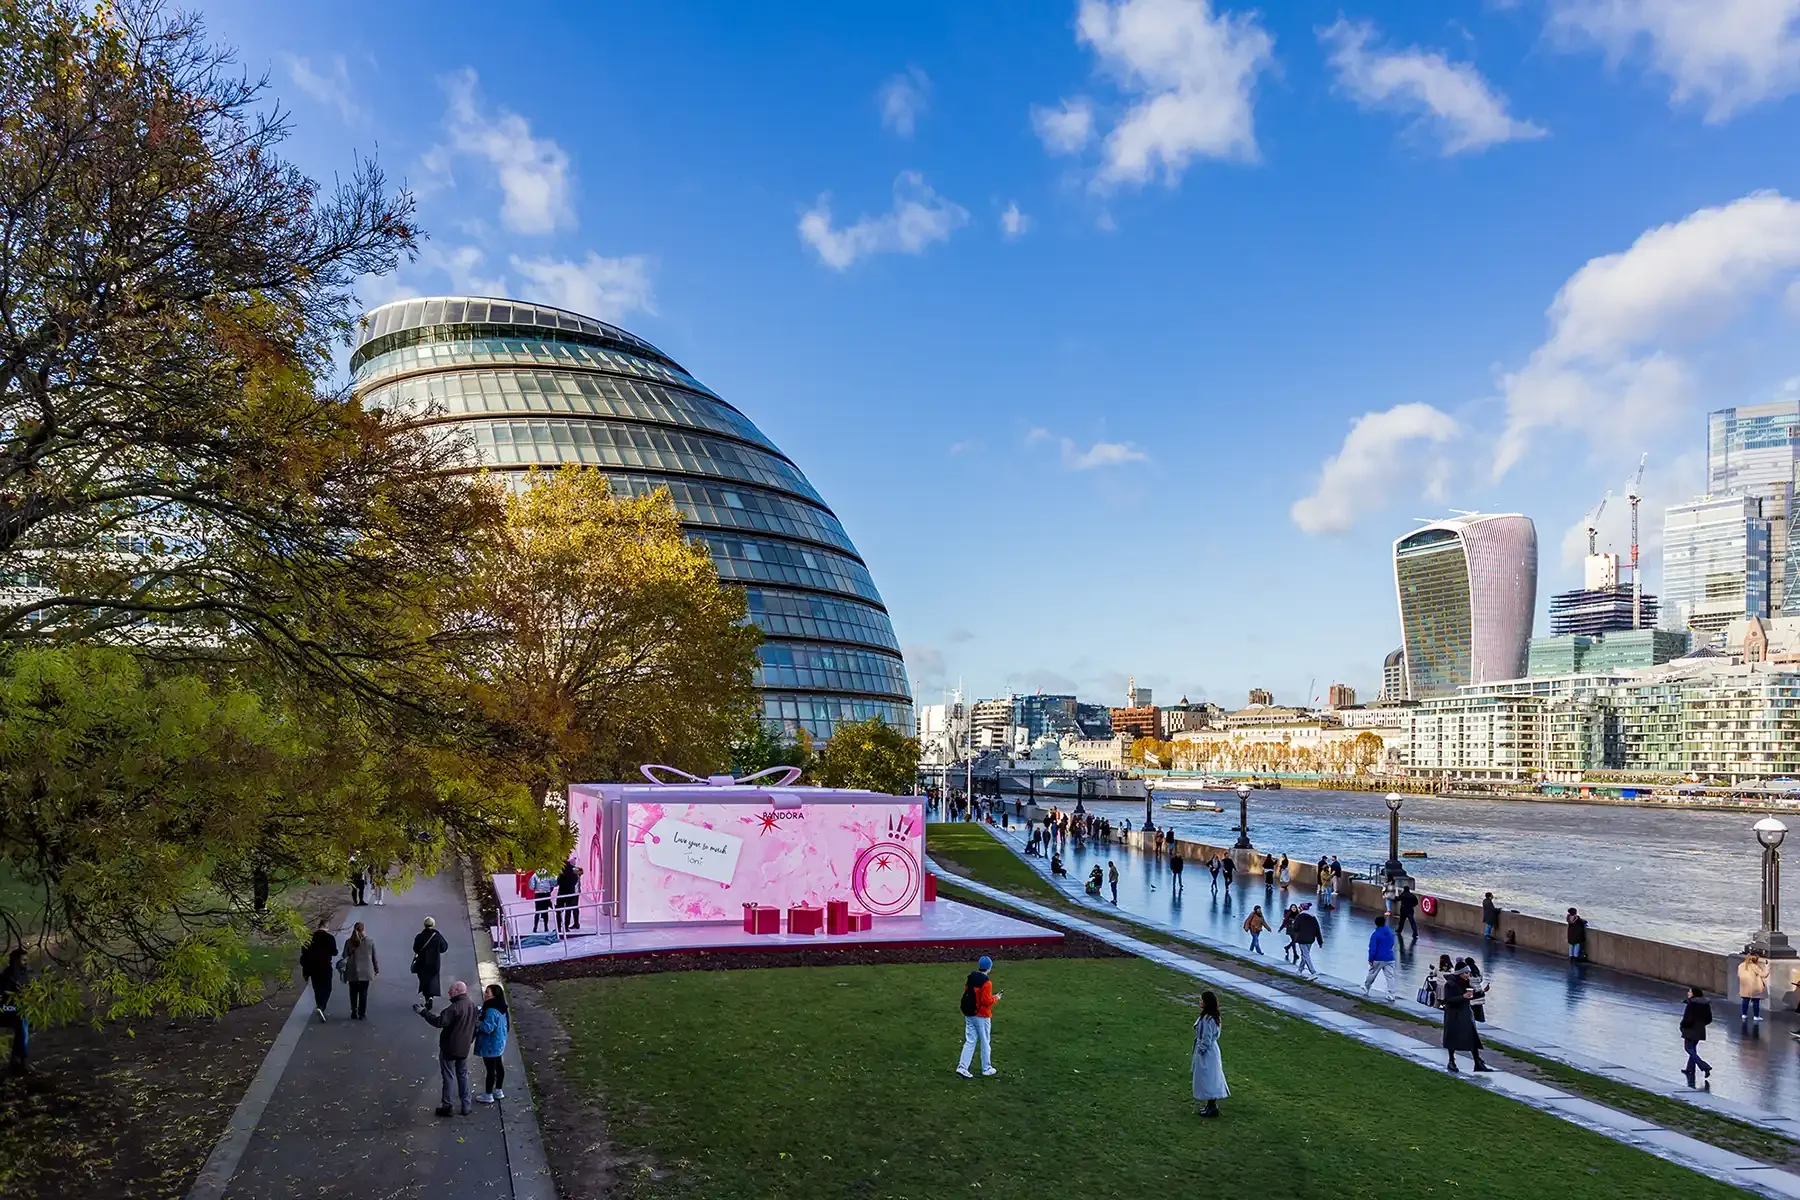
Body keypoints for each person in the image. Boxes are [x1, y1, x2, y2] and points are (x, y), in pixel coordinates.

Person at [419, 979, 481, 1116]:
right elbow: (476, 1027)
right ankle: (466, 1105)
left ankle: (447, 1105)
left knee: (448, 1076)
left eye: (451, 990)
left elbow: (439, 1022)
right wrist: (470, 1041)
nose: (448, 992)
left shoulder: (453, 1008)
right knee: (462, 1075)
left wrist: (424, 1013)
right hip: (464, 1049)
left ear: (457, 991)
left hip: (449, 1048)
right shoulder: (472, 1006)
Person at [955, 955, 1001, 1078]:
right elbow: (986, 1001)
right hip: (982, 1015)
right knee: (985, 1041)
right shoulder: (987, 982)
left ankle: (962, 1066)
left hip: (969, 1013)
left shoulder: (971, 978)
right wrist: (996, 998)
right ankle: (986, 1068)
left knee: (970, 1040)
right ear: (989, 968)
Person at [1442, 965, 1493, 1073]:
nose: (1468, 975)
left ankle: (1477, 1062)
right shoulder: (1449, 984)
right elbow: (1447, 1000)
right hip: (1453, 1015)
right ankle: (1451, 1061)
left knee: (1472, 1037)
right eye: (1466, 973)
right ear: (1460, 973)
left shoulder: (1466, 983)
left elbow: (1470, 996)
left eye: (1468, 973)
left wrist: (1482, 992)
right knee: (1453, 1037)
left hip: (1465, 1013)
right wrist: (1463, 997)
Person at [1191, 990, 1228, 1118]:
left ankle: (1212, 1107)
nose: (1200, 1002)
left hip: (1207, 1052)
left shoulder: (1209, 1019)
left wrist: (1200, 1050)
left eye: (1202, 1000)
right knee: (1209, 1077)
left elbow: (1206, 1038)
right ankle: (1210, 1106)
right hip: (1210, 1051)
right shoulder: (1210, 1017)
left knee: (1209, 1077)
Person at [474, 983, 510, 1103]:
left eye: (487, 993)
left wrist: (477, 1022)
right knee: (499, 1066)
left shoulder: (490, 1009)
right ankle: (499, 1090)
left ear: (494, 995)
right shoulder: (502, 1006)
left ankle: (488, 1094)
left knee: (490, 1069)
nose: (485, 995)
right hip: (499, 1041)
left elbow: (487, 1028)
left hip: (490, 1044)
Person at [299, 921, 338, 1023]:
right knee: (327, 987)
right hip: (325, 966)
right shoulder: (330, 938)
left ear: (318, 926)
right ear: (327, 927)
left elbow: (304, 952)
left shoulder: (309, 938)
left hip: (313, 967)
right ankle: (322, 1006)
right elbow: (334, 952)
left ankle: (319, 1004)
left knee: (317, 987)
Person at [340, 921, 379, 1020]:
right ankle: (362, 1013)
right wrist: (376, 969)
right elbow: (374, 957)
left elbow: (344, 955)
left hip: (352, 971)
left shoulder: (349, 942)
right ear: (363, 929)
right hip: (365, 972)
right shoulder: (370, 941)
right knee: (363, 993)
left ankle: (354, 1010)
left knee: (353, 992)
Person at [412, 917, 450, 1014]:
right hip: (434, 962)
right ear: (433, 925)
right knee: (433, 980)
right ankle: (431, 997)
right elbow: (444, 947)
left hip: (422, 962)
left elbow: (416, 949)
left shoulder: (419, 936)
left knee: (424, 980)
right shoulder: (437, 936)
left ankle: (427, 997)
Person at [1, 948, 29, 1074]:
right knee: (21, 1033)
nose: (26, 962)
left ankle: (19, 1061)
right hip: (10, 1008)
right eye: (24, 960)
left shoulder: (23, 973)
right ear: (16, 961)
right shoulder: (8, 975)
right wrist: (16, 994)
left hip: (21, 1008)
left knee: (22, 1034)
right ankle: (19, 1061)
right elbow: (3, 992)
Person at [1680, 986, 1713, 1088]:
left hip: (1690, 1028)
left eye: (1689, 992)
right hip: (1700, 1028)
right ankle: (1690, 1069)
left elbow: (1687, 1018)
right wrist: (1702, 1024)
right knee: (1693, 1048)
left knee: (1688, 1048)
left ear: (1694, 993)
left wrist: (1683, 1026)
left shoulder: (1691, 1004)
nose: (1688, 993)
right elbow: (1709, 1018)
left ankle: (1704, 1066)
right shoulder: (1705, 1004)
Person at [1361, 914, 1397, 1002]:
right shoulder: (1390, 933)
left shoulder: (1375, 934)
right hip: (1390, 958)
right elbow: (1392, 944)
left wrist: (1370, 959)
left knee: (1372, 973)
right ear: (1384, 923)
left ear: (1376, 924)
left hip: (1378, 958)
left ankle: (1366, 987)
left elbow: (1372, 948)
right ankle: (1392, 994)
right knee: (1390, 976)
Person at [1290, 905, 1323, 979]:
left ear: (1301, 909)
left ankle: (1313, 972)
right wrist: (1320, 942)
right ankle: (1299, 970)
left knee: (1305, 955)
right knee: (1305, 955)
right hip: (1311, 939)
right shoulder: (1313, 917)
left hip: (1302, 939)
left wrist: (1293, 923)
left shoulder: (1299, 917)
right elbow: (1317, 930)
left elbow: (1295, 929)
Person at [1739, 950, 1770, 1021]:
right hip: (1754, 987)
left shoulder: (1741, 965)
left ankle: (1744, 1014)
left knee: (1745, 1000)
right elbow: (1764, 975)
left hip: (1745, 986)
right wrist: (1767, 967)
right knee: (1756, 1001)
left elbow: (1739, 975)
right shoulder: (1754, 966)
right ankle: (1756, 1016)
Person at [556, 858, 584, 932]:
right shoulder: (574, 869)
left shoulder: (561, 870)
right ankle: (566, 927)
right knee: (569, 910)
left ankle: (558, 927)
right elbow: (580, 873)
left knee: (558, 910)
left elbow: (558, 881)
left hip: (562, 892)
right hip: (571, 892)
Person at [530, 868, 555, 933]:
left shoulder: (535, 875)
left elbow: (531, 886)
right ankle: (546, 927)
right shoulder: (548, 875)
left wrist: (536, 888)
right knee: (545, 911)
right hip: (546, 893)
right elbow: (553, 883)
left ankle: (535, 927)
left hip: (538, 894)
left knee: (537, 911)